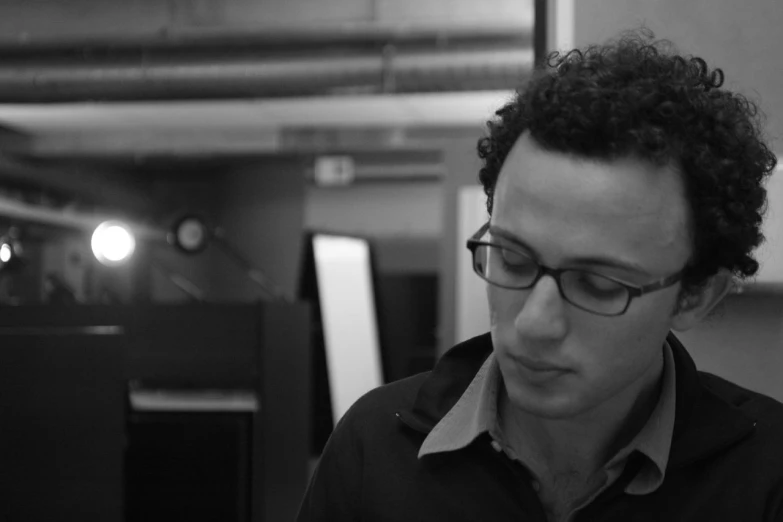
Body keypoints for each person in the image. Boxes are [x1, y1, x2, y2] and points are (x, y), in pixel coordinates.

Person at [297, 29, 783, 522]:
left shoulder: (768, 476)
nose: (533, 323)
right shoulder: (373, 448)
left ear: (696, 295)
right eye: (512, 259)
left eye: (599, 283)